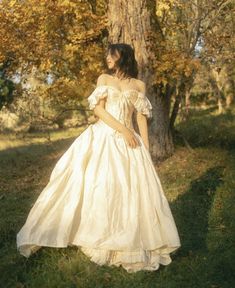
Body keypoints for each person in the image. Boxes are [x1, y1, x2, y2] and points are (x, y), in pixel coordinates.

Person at [16, 43, 181, 273]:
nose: (108, 58)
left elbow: (142, 118)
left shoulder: (139, 85)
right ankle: (91, 230)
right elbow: (99, 111)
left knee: (130, 189)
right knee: (98, 184)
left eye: (112, 55)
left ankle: (127, 235)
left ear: (122, 56)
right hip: (104, 136)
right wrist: (123, 130)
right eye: (107, 55)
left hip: (131, 142)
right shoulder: (104, 79)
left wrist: (145, 148)